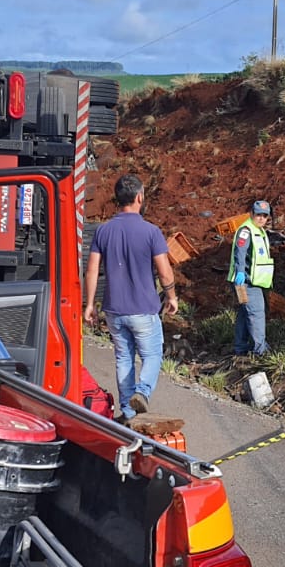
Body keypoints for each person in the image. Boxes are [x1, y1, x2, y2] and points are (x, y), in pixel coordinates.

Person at [83, 174, 178, 420]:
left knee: (123, 358)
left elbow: (92, 269)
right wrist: (172, 296)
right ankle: (143, 392)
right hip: (144, 309)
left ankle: (127, 411)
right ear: (139, 197)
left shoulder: (103, 231)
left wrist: (90, 304)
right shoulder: (151, 232)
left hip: (114, 310)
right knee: (152, 355)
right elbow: (165, 271)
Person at [229, 200, 275, 357]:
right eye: (258, 215)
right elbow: (240, 252)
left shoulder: (259, 231)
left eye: (265, 216)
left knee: (244, 313)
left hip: (253, 282)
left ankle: (240, 347)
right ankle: (260, 351)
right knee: (256, 313)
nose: (261, 218)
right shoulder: (246, 231)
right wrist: (240, 272)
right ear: (251, 214)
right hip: (245, 283)